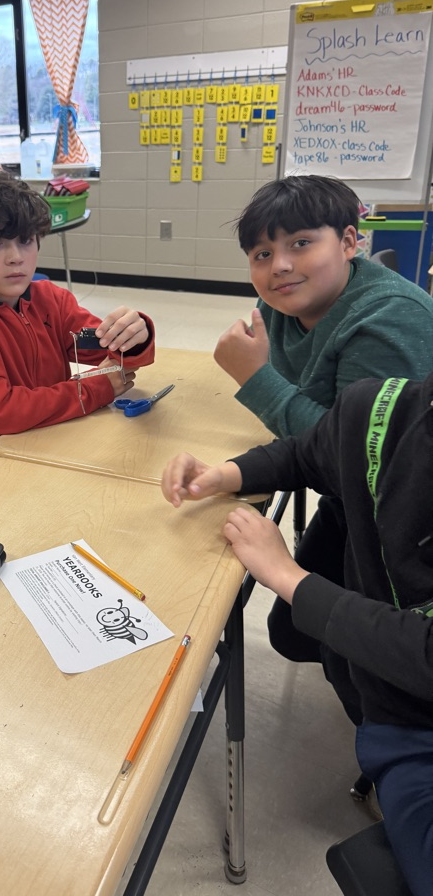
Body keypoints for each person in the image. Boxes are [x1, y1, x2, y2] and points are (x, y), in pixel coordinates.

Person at [160, 373, 433, 896]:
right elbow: (309, 454)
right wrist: (223, 474)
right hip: (401, 709)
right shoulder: (379, 407)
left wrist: (287, 576)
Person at [213, 174, 433, 721]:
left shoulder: (390, 320)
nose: (279, 266)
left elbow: (346, 461)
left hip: (399, 523)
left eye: (301, 243)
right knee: (292, 630)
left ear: (351, 242)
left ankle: (384, 722)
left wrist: (256, 380)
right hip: (353, 500)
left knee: (337, 645)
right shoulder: (283, 306)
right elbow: (321, 441)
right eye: (262, 253)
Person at [0, 169, 155, 466]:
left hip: (54, 444)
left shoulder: (50, 300)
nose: (16, 257)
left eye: (25, 240)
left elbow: (108, 347)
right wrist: (97, 387)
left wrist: (134, 336)